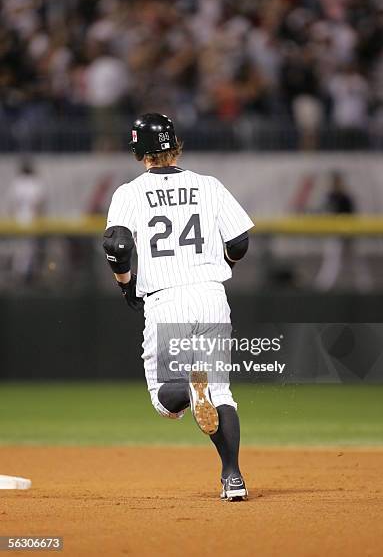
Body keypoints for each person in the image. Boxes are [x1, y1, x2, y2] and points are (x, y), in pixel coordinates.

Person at [103, 113, 254, 501]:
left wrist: (126, 287)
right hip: (211, 294)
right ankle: (233, 478)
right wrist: (225, 267)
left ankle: (189, 386)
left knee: (163, 400)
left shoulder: (130, 192)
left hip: (167, 299)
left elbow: (118, 245)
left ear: (139, 151)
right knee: (220, 393)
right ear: (176, 145)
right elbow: (237, 243)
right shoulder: (209, 185)